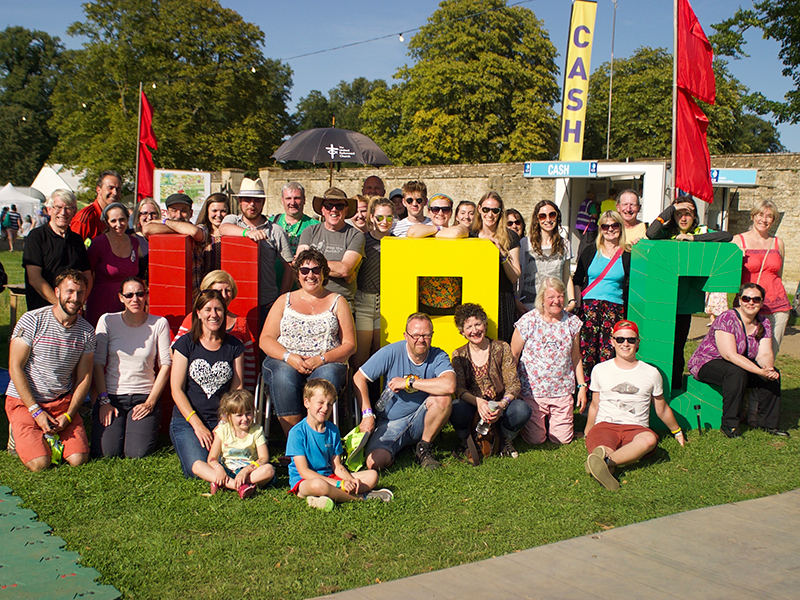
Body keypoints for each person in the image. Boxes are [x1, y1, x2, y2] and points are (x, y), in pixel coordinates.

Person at [5, 270, 95, 472]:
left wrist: (70, 415)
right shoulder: (32, 320)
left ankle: (46, 434)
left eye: (80, 293)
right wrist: (36, 411)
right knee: (40, 464)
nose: (74, 298)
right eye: (69, 291)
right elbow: (15, 367)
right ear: (57, 292)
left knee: (79, 458)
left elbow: (84, 377)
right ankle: (19, 430)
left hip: (61, 403)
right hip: (25, 402)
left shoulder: (87, 332)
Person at [260, 249, 355, 436]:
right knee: (283, 376)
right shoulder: (284, 301)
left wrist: (321, 359)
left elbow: (350, 344)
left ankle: (315, 437)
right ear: (297, 274)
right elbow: (266, 339)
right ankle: (294, 440)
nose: (310, 275)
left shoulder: (338, 301)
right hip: (285, 358)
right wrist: (289, 357)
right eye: (304, 271)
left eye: (315, 270)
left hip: (326, 361)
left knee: (324, 380)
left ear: (323, 273)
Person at [584, 320, 686, 491]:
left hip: (636, 428)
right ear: (612, 341)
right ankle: (605, 462)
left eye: (631, 340)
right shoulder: (600, 370)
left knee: (649, 440)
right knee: (603, 448)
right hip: (605, 425)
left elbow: (661, 408)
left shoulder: (651, 373)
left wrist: (677, 432)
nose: (625, 344)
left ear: (638, 343)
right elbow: (595, 405)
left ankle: (603, 463)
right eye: (620, 339)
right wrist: (588, 430)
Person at [647, 196, 732, 388]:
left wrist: (693, 238)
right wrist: (671, 208)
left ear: (695, 216)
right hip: (662, 302)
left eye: (688, 213)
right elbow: (651, 233)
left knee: (677, 351)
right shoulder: (667, 233)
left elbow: (727, 236)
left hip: (684, 305)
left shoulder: (701, 232)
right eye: (679, 214)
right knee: (659, 348)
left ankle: (674, 387)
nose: (684, 218)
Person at [354, 312, 455, 471]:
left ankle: (424, 448)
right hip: (390, 422)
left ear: (432, 335)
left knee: (443, 399)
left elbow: (449, 386)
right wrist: (367, 414)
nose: (420, 340)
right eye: (415, 335)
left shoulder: (438, 355)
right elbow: (359, 377)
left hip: (423, 418)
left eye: (426, 335)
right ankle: (396, 447)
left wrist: (409, 382)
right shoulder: (391, 352)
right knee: (374, 463)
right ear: (405, 336)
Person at [688, 283, 788, 438]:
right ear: (740, 300)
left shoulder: (764, 323)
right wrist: (759, 371)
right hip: (708, 362)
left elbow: (764, 354)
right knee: (736, 373)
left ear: (761, 303)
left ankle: (768, 424)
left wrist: (767, 369)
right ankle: (730, 425)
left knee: (773, 375)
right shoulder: (727, 318)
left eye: (756, 299)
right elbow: (730, 355)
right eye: (746, 298)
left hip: (738, 363)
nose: (751, 302)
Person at [92, 277, 172, 458]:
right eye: (128, 295)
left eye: (139, 294)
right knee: (107, 453)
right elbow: (98, 363)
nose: (134, 299)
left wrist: (150, 403)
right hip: (112, 396)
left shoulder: (159, 323)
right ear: (121, 298)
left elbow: (166, 365)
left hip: (143, 396)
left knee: (136, 453)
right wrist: (103, 401)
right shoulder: (107, 321)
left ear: (146, 296)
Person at [170, 289, 245, 478]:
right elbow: (176, 389)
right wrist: (197, 425)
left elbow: (236, 389)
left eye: (219, 309)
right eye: (208, 309)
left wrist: (224, 422)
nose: (214, 315)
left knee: (233, 462)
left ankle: (231, 478)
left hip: (223, 419)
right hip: (188, 420)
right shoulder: (185, 344)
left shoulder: (234, 346)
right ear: (198, 313)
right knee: (196, 468)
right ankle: (232, 484)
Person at [287, 379, 392, 511]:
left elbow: (336, 466)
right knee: (319, 485)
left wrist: (350, 480)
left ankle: (324, 498)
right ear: (306, 402)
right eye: (320, 403)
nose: (325, 408)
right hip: (305, 481)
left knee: (372, 476)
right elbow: (304, 472)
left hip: (329, 476)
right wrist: (339, 483)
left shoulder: (332, 430)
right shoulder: (297, 432)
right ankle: (359, 497)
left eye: (330, 404)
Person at [512, 277, 586, 445]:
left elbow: (576, 357)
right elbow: (513, 355)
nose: (556, 301)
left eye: (560, 296)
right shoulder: (528, 321)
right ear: (542, 299)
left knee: (562, 440)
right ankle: (531, 425)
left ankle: (553, 423)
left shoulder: (572, 323)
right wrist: (512, 387)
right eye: (551, 297)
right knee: (535, 440)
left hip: (561, 390)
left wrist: (581, 387)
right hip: (533, 391)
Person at [451, 303, 530, 460]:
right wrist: (478, 403)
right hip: (473, 406)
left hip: (499, 405)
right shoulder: (459, 354)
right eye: (469, 327)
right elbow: (458, 389)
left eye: (478, 324)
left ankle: (505, 439)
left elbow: (513, 385)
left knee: (522, 409)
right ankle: (466, 440)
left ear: (485, 325)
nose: (475, 330)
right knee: (455, 408)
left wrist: (501, 405)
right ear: (462, 332)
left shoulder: (501, 348)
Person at [219, 182, 293, 321]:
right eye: (247, 200)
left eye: (257, 200)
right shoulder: (233, 220)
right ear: (240, 201)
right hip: (235, 301)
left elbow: (289, 267)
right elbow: (223, 229)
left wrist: (281, 300)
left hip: (267, 302)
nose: (252, 204)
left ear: (263, 202)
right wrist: (247, 233)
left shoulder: (276, 230)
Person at [175, 270, 258, 392]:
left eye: (228, 290)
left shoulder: (241, 323)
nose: (224, 295)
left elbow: (249, 364)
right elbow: (175, 352)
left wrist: (247, 395)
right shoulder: (192, 319)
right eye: (219, 291)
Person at [573, 210, 630, 385]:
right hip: (590, 307)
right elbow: (577, 279)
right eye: (605, 226)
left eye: (614, 225)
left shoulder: (628, 254)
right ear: (600, 228)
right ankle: (585, 392)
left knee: (608, 351)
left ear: (620, 227)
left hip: (614, 308)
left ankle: (604, 389)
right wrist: (576, 304)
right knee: (587, 351)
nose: (610, 229)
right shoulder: (590, 250)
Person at [192, 389, 276, 499]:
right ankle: (239, 487)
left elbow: (264, 458)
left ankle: (223, 484)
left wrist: (246, 471)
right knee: (197, 465)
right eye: (239, 415)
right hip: (227, 471)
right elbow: (212, 458)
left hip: (249, 472)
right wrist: (219, 469)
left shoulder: (256, 430)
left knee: (269, 470)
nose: (245, 419)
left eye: (248, 413)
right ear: (229, 416)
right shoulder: (222, 430)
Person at [732, 199, 790, 356]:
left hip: (777, 307)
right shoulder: (738, 240)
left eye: (769, 216)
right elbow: (728, 274)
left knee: (770, 354)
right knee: (743, 352)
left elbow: (779, 274)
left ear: (774, 220)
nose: (764, 220)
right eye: (760, 214)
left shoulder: (778, 243)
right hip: (748, 306)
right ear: (752, 216)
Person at [23, 189, 92, 311]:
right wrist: (59, 305)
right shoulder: (36, 237)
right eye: (58, 207)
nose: (63, 212)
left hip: (73, 311)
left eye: (68, 208)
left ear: (74, 211)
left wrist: (78, 303)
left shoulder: (77, 240)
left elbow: (87, 275)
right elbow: (34, 278)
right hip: (43, 309)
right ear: (49, 210)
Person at [296, 188, 365, 307]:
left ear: (346, 210)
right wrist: (336, 269)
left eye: (339, 206)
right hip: (309, 300)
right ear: (322, 210)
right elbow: (299, 264)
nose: (334, 209)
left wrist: (312, 267)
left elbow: (344, 270)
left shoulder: (355, 235)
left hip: (341, 302)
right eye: (328, 205)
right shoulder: (309, 232)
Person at [470, 191, 520, 343]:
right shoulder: (471, 235)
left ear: (500, 213)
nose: (490, 214)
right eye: (486, 209)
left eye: (495, 210)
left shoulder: (510, 236)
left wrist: (501, 254)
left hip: (502, 297)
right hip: (476, 294)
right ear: (479, 209)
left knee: (501, 344)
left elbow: (515, 275)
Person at [408, 194, 468, 316]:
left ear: (451, 213)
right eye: (435, 209)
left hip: (453, 302)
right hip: (425, 302)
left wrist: (434, 232)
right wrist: (439, 229)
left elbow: (456, 232)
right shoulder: (424, 228)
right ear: (429, 212)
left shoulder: (460, 227)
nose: (440, 213)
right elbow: (413, 232)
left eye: (445, 209)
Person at [353, 197, 394, 371]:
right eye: (379, 217)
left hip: (387, 302)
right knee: (360, 357)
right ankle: (356, 397)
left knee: (381, 355)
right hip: (363, 301)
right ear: (371, 217)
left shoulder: (397, 242)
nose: (384, 222)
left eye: (389, 218)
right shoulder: (361, 240)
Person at [85, 203, 142, 327]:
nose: (118, 224)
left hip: (128, 302)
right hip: (102, 302)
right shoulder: (98, 243)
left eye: (122, 219)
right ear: (107, 222)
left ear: (128, 219)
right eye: (113, 221)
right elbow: (87, 273)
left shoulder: (134, 242)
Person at [143, 193, 209, 294]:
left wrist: (165, 222)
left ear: (191, 213)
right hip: (168, 290)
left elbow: (194, 232)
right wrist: (181, 229)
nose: (178, 215)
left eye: (183, 211)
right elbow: (147, 229)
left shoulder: (201, 228)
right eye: (174, 210)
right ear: (167, 212)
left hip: (194, 293)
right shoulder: (160, 227)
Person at [518, 200, 574, 313]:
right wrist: (516, 300)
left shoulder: (565, 244)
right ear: (537, 219)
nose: (548, 220)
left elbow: (566, 276)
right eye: (543, 216)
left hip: (555, 306)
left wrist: (572, 301)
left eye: (552, 215)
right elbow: (518, 275)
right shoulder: (525, 243)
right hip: (529, 306)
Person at [71, 170, 122, 244]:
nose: (115, 193)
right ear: (99, 190)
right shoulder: (86, 217)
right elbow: (72, 248)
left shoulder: (118, 217)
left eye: (118, 189)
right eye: (110, 188)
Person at [270, 181, 317, 258]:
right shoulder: (271, 223)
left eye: (297, 198)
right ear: (282, 201)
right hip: (273, 270)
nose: (292, 202)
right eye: (288, 198)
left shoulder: (315, 226)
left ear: (304, 200)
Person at [195, 193, 229, 273]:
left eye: (223, 211)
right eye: (214, 211)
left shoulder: (233, 234)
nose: (219, 215)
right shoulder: (200, 234)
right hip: (204, 283)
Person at [130, 198, 160, 281]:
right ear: (138, 216)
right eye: (145, 213)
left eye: (153, 213)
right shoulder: (130, 238)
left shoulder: (163, 237)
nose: (149, 217)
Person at [575, 187, 600, 258]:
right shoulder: (591, 203)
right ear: (592, 195)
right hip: (587, 227)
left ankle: (579, 257)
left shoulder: (584, 202)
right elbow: (594, 215)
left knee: (582, 242)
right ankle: (583, 258)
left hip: (580, 226)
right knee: (587, 243)